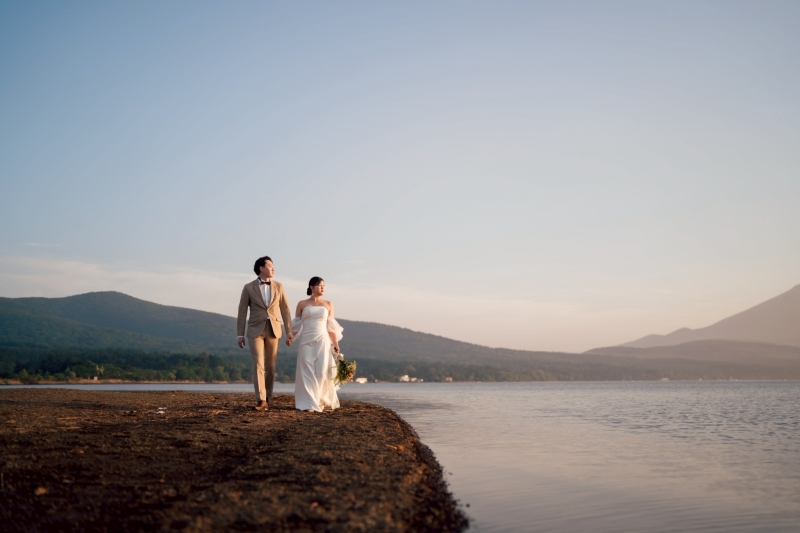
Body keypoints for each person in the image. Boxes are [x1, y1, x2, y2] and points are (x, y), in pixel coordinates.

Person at [237, 256, 294, 411]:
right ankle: (261, 399)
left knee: (271, 366)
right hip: (255, 330)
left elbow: (285, 310)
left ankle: (268, 397)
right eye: (270, 265)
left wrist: (289, 331)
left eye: (273, 265)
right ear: (261, 268)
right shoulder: (248, 288)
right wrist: (240, 334)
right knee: (258, 364)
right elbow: (242, 312)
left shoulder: (279, 286)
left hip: (274, 329)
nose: (273, 268)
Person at [292, 277, 343, 412]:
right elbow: (296, 323)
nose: (322, 288)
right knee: (307, 371)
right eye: (319, 285)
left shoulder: (328, 304)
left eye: (324, 285)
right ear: (311, 287)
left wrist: (335, 343)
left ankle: (319, 399)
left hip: (322, 339)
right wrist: (291, 336)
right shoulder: (302, 304)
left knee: (321, 372)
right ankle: (309, 403)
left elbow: (331, 326)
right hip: (306, 340)